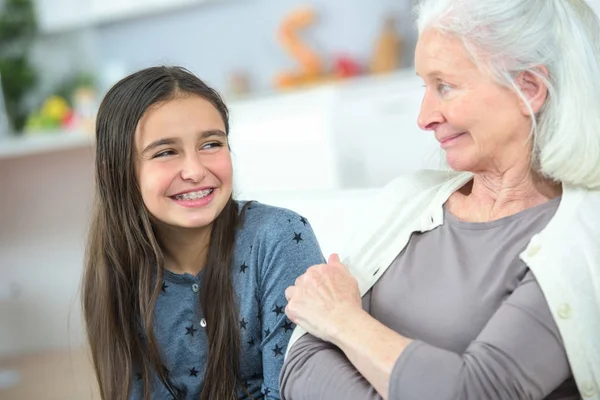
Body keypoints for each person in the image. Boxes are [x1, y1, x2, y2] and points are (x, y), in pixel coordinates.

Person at [280, 0, 600, 399]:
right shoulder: (406, 200)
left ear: (528, 89)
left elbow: (475, 392)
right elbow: (300, 365)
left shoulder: (585, 239)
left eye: (444, 86)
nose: (424, 116)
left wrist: (341, 319)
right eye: (424, 86)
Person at [81, 66, 324, 400]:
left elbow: (293, 389)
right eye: (166, 152)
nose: (195, 171)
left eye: (211, 144)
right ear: (116, 171)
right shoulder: (118, 267)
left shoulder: (277, 237)